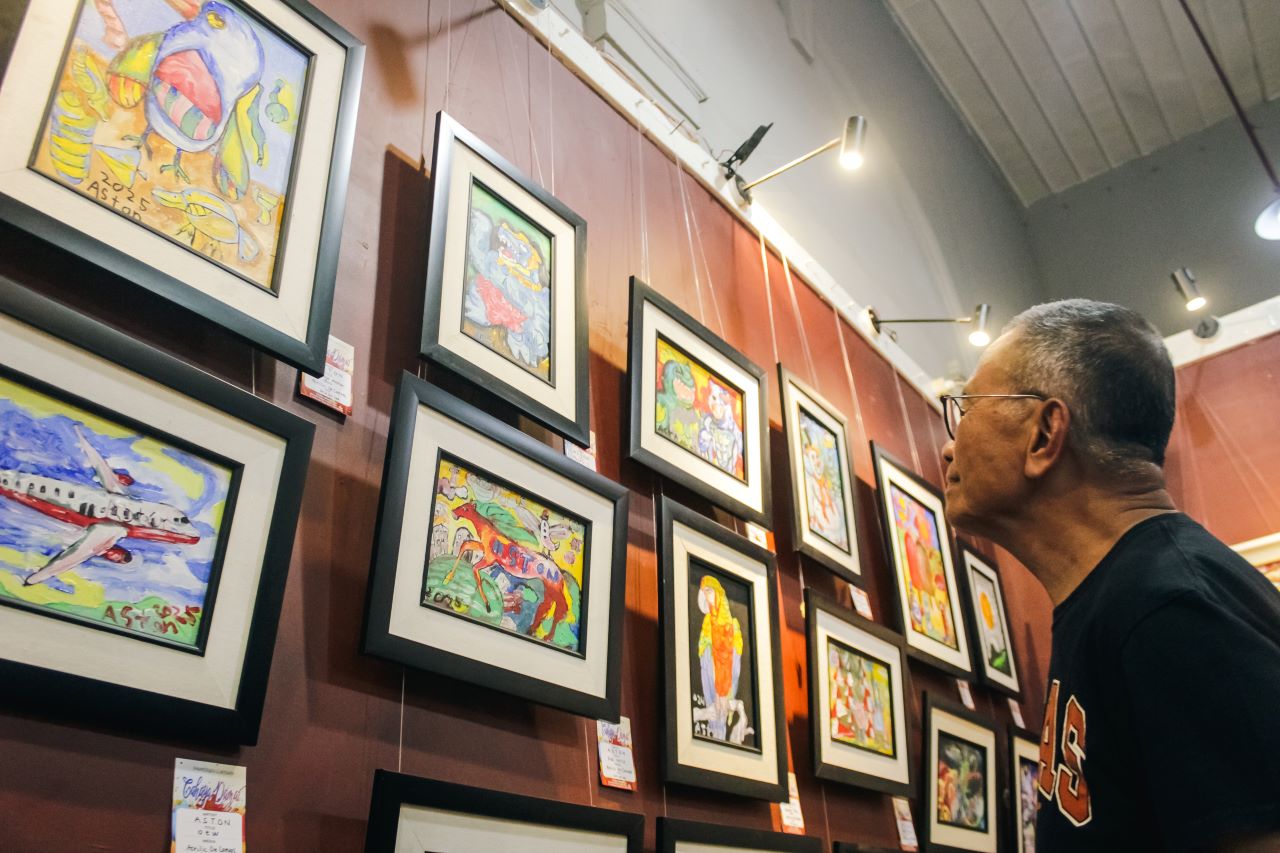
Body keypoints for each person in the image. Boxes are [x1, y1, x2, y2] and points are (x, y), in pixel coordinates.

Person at [939, 299, 1280, 852]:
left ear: (1045, 434)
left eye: (967, 407)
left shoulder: (1171, 609)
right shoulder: (1123, 599)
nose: (949, 444)